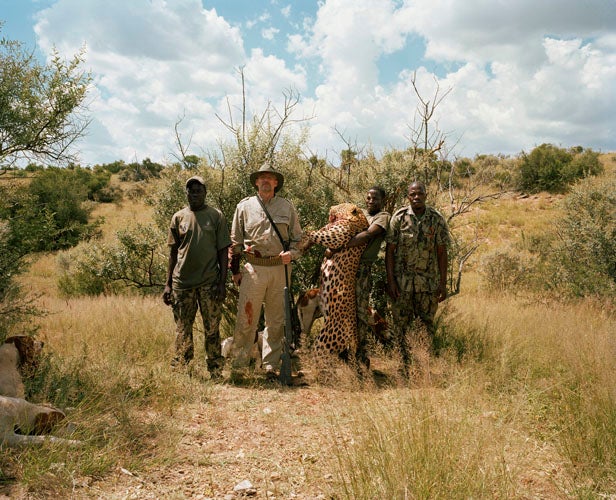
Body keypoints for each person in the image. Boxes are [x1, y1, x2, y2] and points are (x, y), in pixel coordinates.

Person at [229, 162, 302, 378]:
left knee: (276, 320)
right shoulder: (244, 207)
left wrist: (293, 254)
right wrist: (235, 271)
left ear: (276, 183)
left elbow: (299, 239)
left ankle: (270, 365)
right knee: (247, 318)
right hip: (253, 269)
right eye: (262, 178)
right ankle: (240, 364)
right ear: (256, 183)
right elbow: (234, 242)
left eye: (270, 178)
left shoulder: (287, 207)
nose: (266, 182)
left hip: (280, 270)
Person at [162, 176, 231, 380]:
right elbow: (173, 253)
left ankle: (215, 370)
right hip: (182, 284)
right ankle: (183, 370)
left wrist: (222, 283)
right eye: (191, 191)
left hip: (209, 283)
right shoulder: (178, 217)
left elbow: (223, 251)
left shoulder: (215, 216)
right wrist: (168, 285)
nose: (194, 194)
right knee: (183, 329)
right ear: (187, 194)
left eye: (198, 190)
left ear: (205, 192)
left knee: (212, 328)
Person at [385, 181, 449, 377]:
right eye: (412, 194)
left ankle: (423, 367)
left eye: (420, 194)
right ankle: (402, 368)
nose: (416, 197)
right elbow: (390, 252)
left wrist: (443, 284)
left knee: (426, 327)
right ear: (408, 196)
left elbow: (441, 252)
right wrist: (391, 282)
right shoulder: (399, 218)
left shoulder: (436, 219)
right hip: (402, 285)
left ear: (426, 195)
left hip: (427, 285)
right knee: (400, 327)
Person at [344, 186, 390, 369]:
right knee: (344, 311)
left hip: (362, 269)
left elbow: (369, 234)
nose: (371, 201)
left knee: (361, 312)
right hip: (346, 267)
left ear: (382, 200)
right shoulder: (359, 213)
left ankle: (360, 355)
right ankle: (345, 352)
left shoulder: (383, 217)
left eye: (375, 198)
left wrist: (344, 244)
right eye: (369, 197)